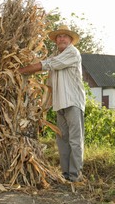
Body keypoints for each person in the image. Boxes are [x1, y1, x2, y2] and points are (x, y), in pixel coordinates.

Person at [19, 25, 86, 182]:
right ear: (56, 40)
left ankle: (75, 177)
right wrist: (45, 106)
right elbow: (50, 84)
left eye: (65, 36)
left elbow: (47, 65)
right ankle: (65, 175)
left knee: (75, 141)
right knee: (62, 142)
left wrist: (21, 70)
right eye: (59, 36)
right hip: (59, 104)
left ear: (71, 40)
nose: (61, 38)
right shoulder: (57, 55)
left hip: (73, 103)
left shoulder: (72, 53)